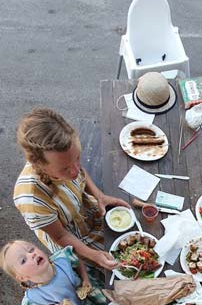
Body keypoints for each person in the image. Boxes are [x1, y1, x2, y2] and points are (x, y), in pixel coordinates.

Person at [13, 107, 129, 281]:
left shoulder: (67, 160)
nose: (75, 171)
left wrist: (99, 196)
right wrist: (93, 255)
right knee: (114, 268)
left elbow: (79, 171)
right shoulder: (32, 199)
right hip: (70, 235)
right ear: (38, 163)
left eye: (77, 158)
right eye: (65, 168)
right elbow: (60, 235)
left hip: (83, 211)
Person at [0, 240, 107, 305]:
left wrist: (85, 278)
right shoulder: (34, 295)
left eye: (31, 249)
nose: (32, 254)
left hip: (88, 288)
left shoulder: (62, 259)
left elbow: (78, 262)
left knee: (105, 298)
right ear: (22, 277)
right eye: (23, 260)